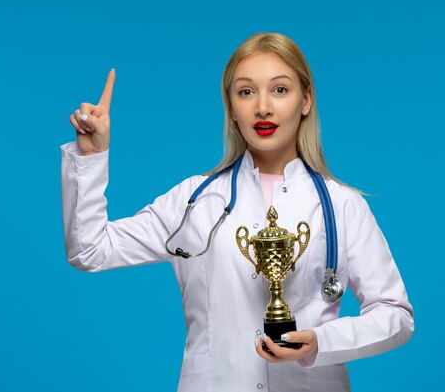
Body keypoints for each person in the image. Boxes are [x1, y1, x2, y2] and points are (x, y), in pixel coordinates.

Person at [61, 32, 414, 392]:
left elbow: (396, 315)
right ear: (231, 108)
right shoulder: (194, 200)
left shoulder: (342, 205)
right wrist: (91, 156)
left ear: (305, 100)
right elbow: (89, 250)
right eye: (246, 92)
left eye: (280, 90)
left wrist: (322, 340)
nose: (263, 107)